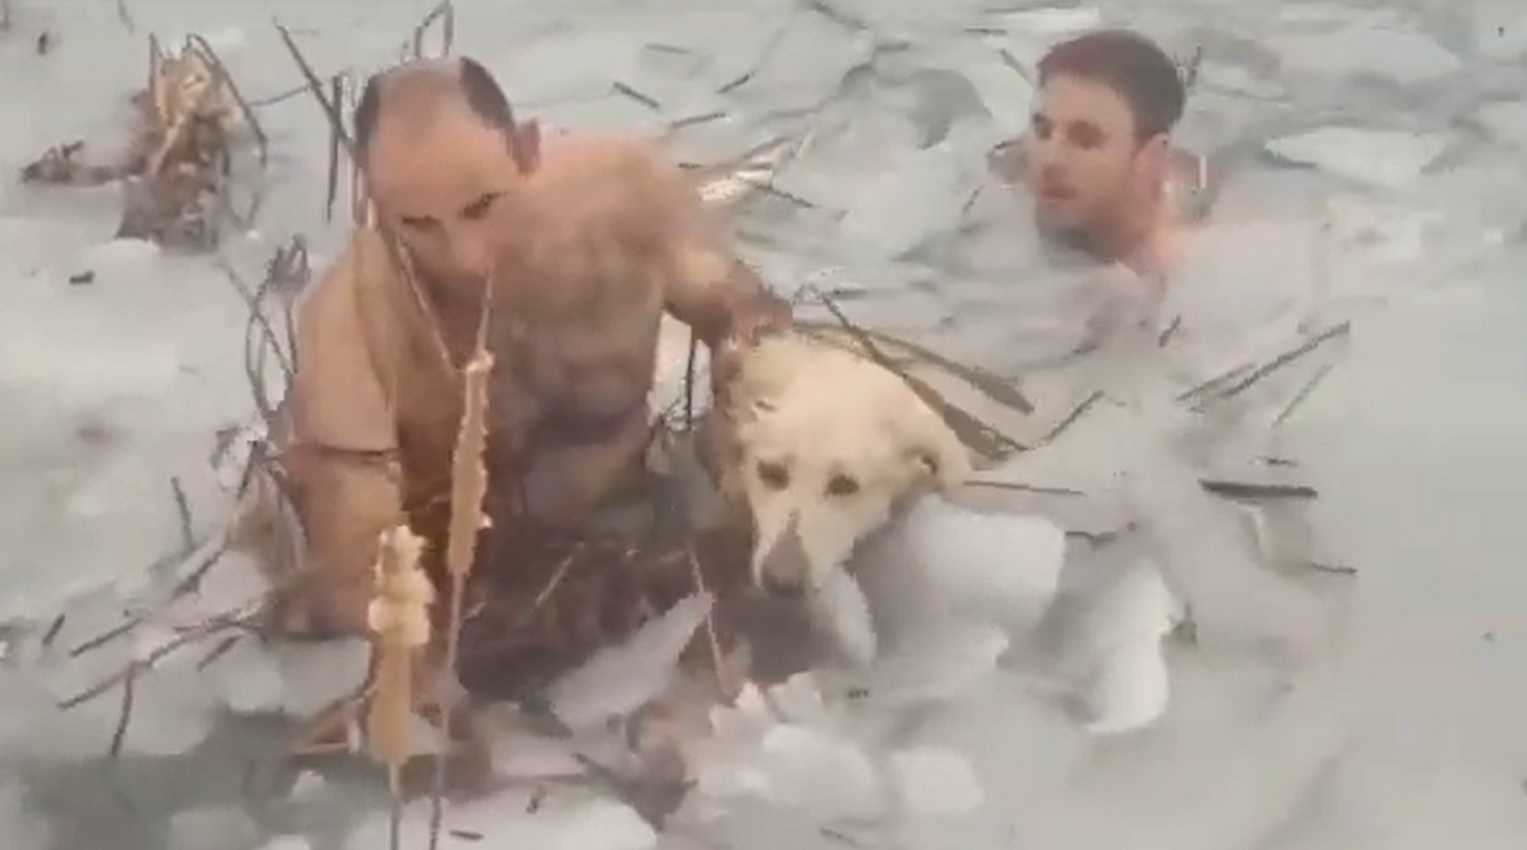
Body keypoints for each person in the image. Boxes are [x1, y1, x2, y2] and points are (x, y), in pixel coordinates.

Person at [236, 57, 791, 640]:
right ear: (371, 198)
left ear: (525, 151)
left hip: (615, 531)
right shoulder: (348, 328)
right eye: (418, 226)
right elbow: (363, 577)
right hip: (456, 599)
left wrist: (748, 393)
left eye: (482, 207)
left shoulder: (624, 204)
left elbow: (747, 325)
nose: (465, 258)